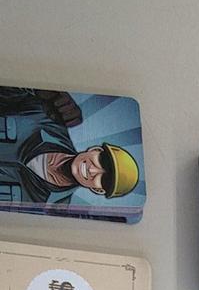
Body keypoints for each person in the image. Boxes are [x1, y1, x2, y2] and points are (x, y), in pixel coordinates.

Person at [0, 87, 138, 206]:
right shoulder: (47, 119)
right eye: (103, 161)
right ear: (95, 150)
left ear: (98, 189)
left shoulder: (46, 209)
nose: (93, 170)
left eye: (105, 179)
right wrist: (40, 90)